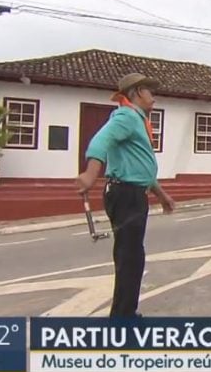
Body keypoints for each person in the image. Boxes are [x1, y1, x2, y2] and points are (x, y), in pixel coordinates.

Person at [75, 73, 175, 318]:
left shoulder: (137, 120)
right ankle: (122, 319)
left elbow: (141, 166)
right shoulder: (127, 116)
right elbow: (101, 141)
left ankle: (125, 314)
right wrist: (90, 173)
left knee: (131, 257)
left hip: (133, 193)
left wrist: (161, 195)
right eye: (151, 91)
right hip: (126, 194)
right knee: (130, 259)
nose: (154, 97)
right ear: (138, 91)